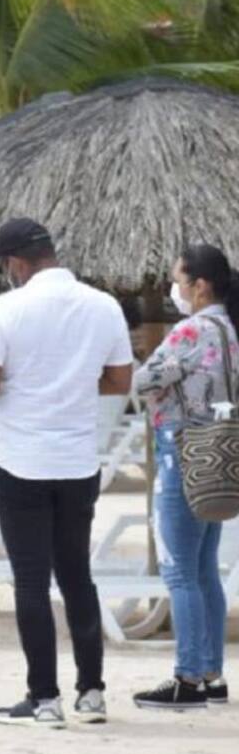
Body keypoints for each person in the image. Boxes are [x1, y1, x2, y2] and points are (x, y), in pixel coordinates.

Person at [0, 217, 133, 729]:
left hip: (21, 461)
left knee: (32, 582)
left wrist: (21, 381)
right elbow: (119, 380)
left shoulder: (4, 309)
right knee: (77, 576)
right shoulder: (104, 305)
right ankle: (92, 692)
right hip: (78, 461)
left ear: (15, 263)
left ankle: (43, 698)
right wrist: (72, 385)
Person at [132, 244, 237, 711]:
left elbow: (143, 380)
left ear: (200, 285)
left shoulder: (191, 330)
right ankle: (212, 674)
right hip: (218, 459)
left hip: (182, 455)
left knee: (180, 571)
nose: (173, 288)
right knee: (203, 569)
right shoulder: (230, 330)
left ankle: (188, 677)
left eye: (178, 279)